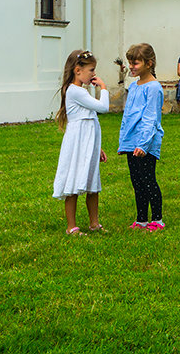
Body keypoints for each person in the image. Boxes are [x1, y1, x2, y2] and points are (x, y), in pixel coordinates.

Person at [53, 50, 109, 235]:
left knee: (93, 183)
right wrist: (104, 88)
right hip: (77, 144)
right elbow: (103, 108)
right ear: (78, 70)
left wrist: (97, 147)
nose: (94, 74)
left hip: (88, 143)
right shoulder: (74, 91)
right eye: (91, 70)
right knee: (74, 181)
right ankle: (72, 226)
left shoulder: (81, 91)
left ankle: (94, 223)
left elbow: (91, 118)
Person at [119, 43, 165, 230]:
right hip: (132, 143)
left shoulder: (153, 88)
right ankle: (141, 219)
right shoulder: (134, 86)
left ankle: (157, 219)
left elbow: (150, 118)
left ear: (149, 63)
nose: (131, 66)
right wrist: (125, 143)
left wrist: (143, 144)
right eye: (130, 63)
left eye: (135, 63)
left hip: (146, 143)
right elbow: (128, 116)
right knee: (137, 182)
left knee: (148, 180)